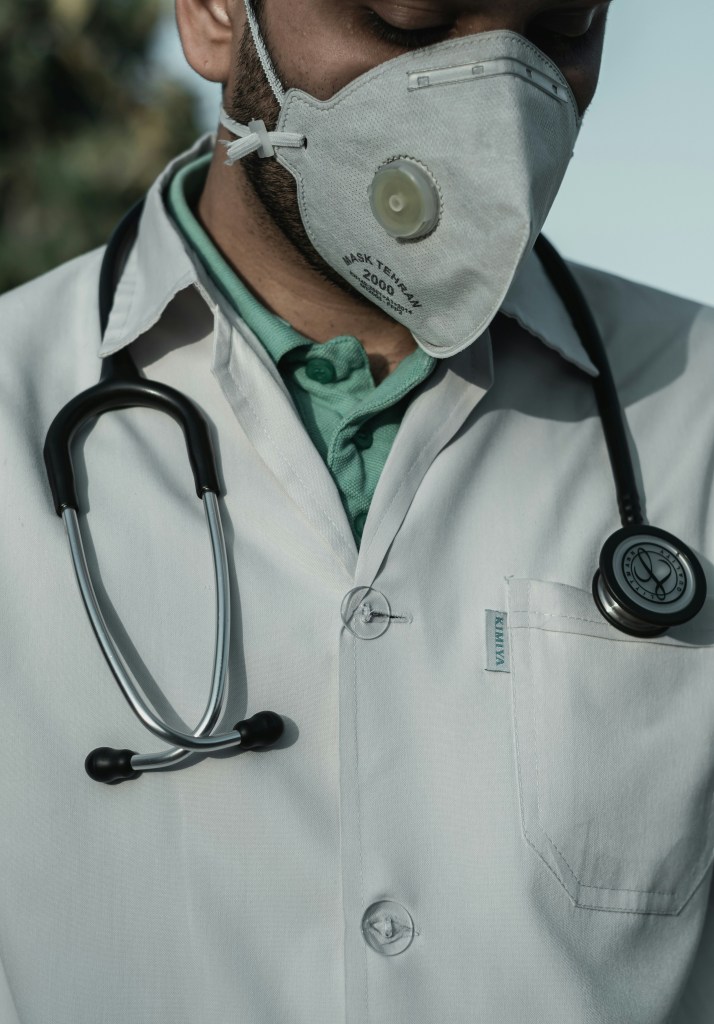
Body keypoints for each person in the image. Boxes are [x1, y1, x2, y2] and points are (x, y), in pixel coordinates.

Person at [0, 1, 712, 1021]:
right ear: (211, 16)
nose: (495, 100)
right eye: (409, 18)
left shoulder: (697, 414)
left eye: (559, 26)